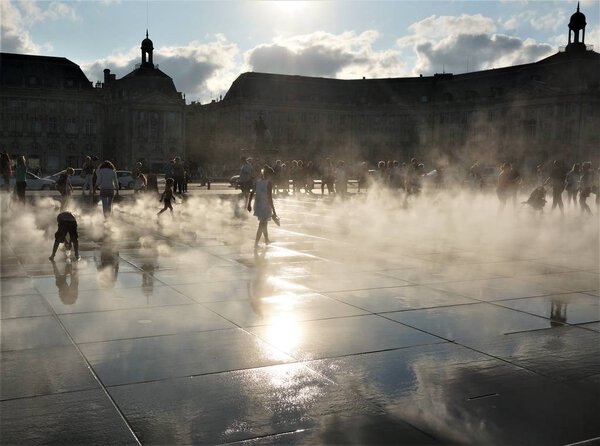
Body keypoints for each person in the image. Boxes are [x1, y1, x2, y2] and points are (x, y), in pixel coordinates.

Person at [247, 166, 278, 248]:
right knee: (262, 224)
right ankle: (256, 243)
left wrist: (249, 204)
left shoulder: (257, 182)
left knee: (264, 223)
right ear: (269, 175)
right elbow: (270, 198)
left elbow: (251, 193)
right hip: (265, 206)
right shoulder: (269, 183)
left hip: (258, 205)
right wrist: (274, 211)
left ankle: (266, 239)